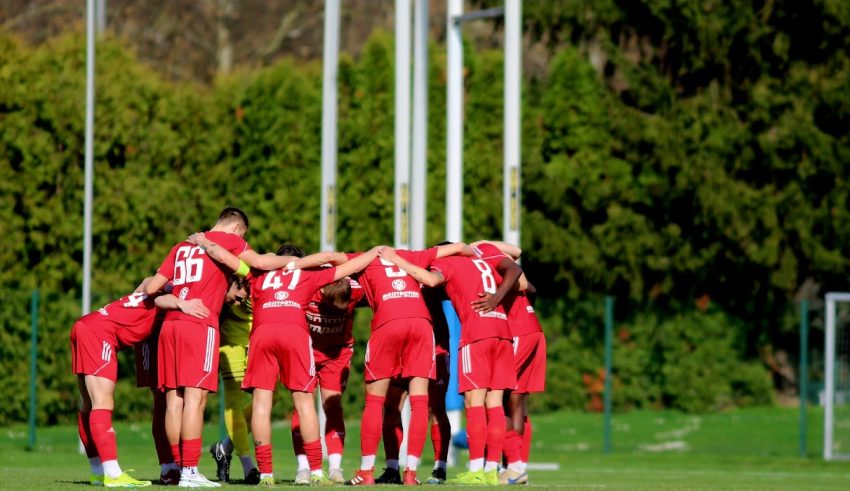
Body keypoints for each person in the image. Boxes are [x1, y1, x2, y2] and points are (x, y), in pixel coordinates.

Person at [141, 207, 301, 487]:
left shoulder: (181, 247)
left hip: (170, 325)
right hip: (200, 324)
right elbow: (259, 262)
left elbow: (152, 287)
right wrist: (297, 262)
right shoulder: (230, 241)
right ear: (237, 229)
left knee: (174, 401)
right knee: (195, 399)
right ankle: (190, 472)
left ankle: (174, 469)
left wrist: (181, 299)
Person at [320, 243, 471, 486]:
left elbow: (328, 257)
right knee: (409, 403)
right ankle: (405, 472)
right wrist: (484, 254)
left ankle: (370, 471)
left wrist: (293, 266)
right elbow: (462, 248)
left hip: (398, 328)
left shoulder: (367, 258)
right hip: (422, 331)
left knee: (379, 401)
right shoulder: (416, 257)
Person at [377, 247, 521, 485]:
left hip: (477, 335)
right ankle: (491, 471)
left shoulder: (448, 264)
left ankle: (475, 471)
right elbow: (517, 269)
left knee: (473, 403)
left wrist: (396, 260)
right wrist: (496, 297)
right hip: (503, 333)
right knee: (495, 404)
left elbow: (431, 279)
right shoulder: (484, 259)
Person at [240, 244, 380, 486]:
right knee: (303, 404)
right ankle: (311, 469)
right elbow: (344, 261)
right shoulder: (309, 277)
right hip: (301, 343)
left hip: (319, 349)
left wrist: (209, 242)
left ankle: (269, 474)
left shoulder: (259, 275)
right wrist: (377, 251)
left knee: (268, 404)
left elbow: (236, 262)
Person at [72, 285, 209, 488]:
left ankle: (98, 473)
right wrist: (183, 303)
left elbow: (147, 283)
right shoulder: (168, 296)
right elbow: (160, 295)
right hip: (100, 333)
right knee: (102, 402)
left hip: (86, 324)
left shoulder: (155, 287)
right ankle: (113, 474)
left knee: (88, 403)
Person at [471, 241, 546, 485]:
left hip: (517, 332)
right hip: (531, 329)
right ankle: (517, 467)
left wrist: (478, 244)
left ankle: (513, 466)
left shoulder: (480, 255)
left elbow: (522, 281)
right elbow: (530, 285)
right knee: (516, 401)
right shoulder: (490, 260)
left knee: (495, 398)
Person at [290, 275, 365, 484]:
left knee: (333, 406)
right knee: (302, 406)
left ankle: (335, 468)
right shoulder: (308, 286)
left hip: (337, 355)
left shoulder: (356, 289)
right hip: (306, 352)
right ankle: (303, 468)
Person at [376, 285, 453, 485]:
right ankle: (392, 468)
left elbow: (458, 287)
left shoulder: (432, 275)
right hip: (401, 346)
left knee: (435, 407)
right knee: (391, 405)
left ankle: (439, 468)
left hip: (436, 346)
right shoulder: (394, 277)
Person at [208, 277, 261, 485]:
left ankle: (224, 448)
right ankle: (248, 465)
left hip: (258, 342)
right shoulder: (235, 273)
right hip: (231, 343)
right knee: (234, 402)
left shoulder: (266, 276)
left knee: (270, 398)